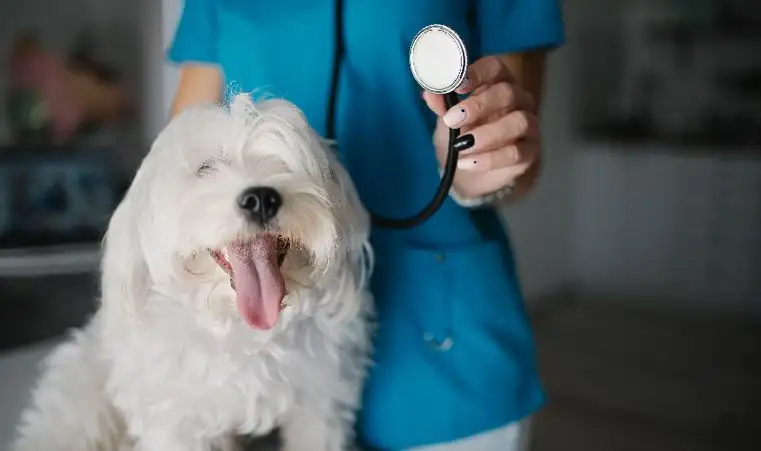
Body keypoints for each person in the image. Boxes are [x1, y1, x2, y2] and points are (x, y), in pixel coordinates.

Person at [167, 1, 565, 449]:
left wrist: (473, 163)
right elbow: (179, 153)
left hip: (439, 347)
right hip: (264, 364)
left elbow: (518, 163)